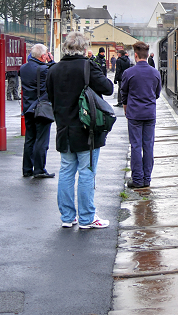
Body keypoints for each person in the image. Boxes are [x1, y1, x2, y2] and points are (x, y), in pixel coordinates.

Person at [46, 32, 114, 229]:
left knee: (66, 171)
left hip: (63, 128)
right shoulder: (87, 66)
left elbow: (51, 97)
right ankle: (87, 218)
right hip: (87, 130)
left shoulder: (54, 69)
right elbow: (108, 88)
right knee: (86, 172)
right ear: (84, 49)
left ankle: (67, 217)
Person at [121, 41, 162, 189]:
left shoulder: (128, 73)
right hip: (150, 114)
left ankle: (137, 180)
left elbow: (124, 94)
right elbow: (157, 94)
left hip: (134, 114)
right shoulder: (155, 73)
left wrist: (126, 108)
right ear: (146, 55)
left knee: (136, 146)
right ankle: (147, 179)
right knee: (148, 146)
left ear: (136, 55)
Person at [20, 44, 55, 178]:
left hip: (28, 107)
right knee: (41, 140)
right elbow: (55, 74)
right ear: (43, 56)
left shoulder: (23, 68)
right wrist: (51, 61)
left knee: (30, 139)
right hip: (42, 108)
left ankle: (27, 169)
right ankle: (39, 169)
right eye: (46, 54)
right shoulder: (44, 69)